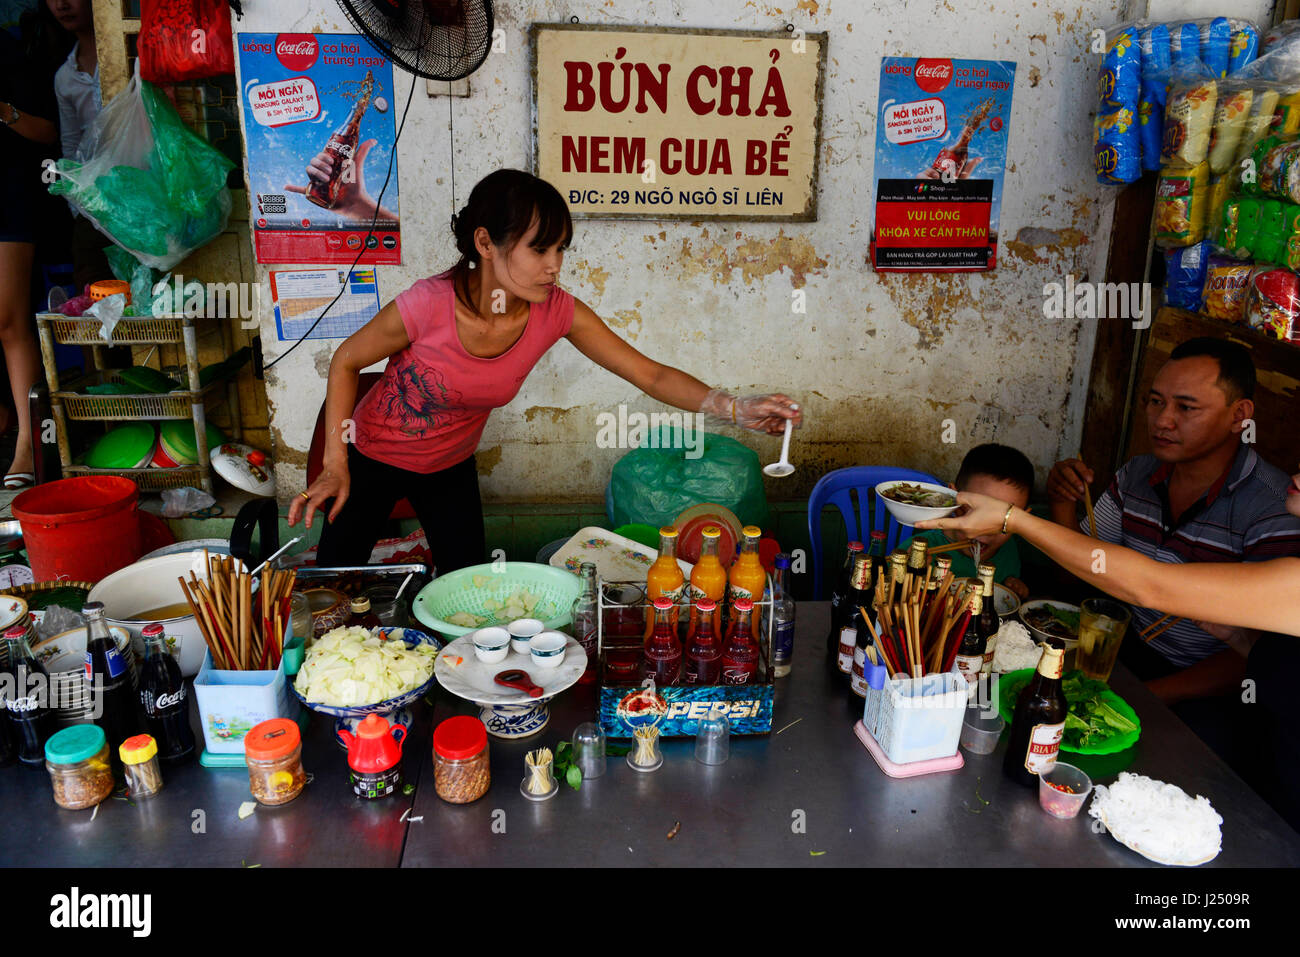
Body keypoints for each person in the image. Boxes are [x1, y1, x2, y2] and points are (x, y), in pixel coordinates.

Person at [288, 169, 801, 571]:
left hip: (449, 466)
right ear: (486, 243)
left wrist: (735, 407)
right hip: (372, 455)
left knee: (464, 595)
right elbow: (348, 360)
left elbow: (649, 375)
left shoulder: (555, 311)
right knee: (338, 582)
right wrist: (336, 462)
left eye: (560, 250)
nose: (554, 265)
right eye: (539, 248)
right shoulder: (427, 305)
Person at [914, 471, 1300, 831]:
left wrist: (1012, 519)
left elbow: (1149, 585)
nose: (1295, 476)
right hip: (1270, 780)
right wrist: (1238, 639)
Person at [1045, 337, 1300, 706]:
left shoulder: (1276, 509)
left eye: (1186, 407)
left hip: (1204, 691)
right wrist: (1061, 503)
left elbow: (1259, 658)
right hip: (1125, 652)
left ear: (1238, 415)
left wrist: (1144, 699)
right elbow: (1079, 572)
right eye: (1155, 402)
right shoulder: (1137, 475)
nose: (1162, 421)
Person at [0, 20, 60, 489]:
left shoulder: (8, 51)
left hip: (9, 193)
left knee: (9, 320)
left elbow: (49, 134)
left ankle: (27, 443)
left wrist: (3, 112)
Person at [897, 443, 1033, 598]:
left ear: (1023, 520)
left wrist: (1012, 584)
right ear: (954, 497)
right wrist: (908, 579)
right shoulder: (920, 550)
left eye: (1003, 521)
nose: (986, 529)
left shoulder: (1008, 548)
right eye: (976, 510)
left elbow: (1006, 583)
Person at [47, 0, 106, 292]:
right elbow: (70, 145)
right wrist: (78, 205)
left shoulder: (133, 54)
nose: (62, 4)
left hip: (142, 197)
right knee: (97, 301)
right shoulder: (65, 77)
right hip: (93, 206)